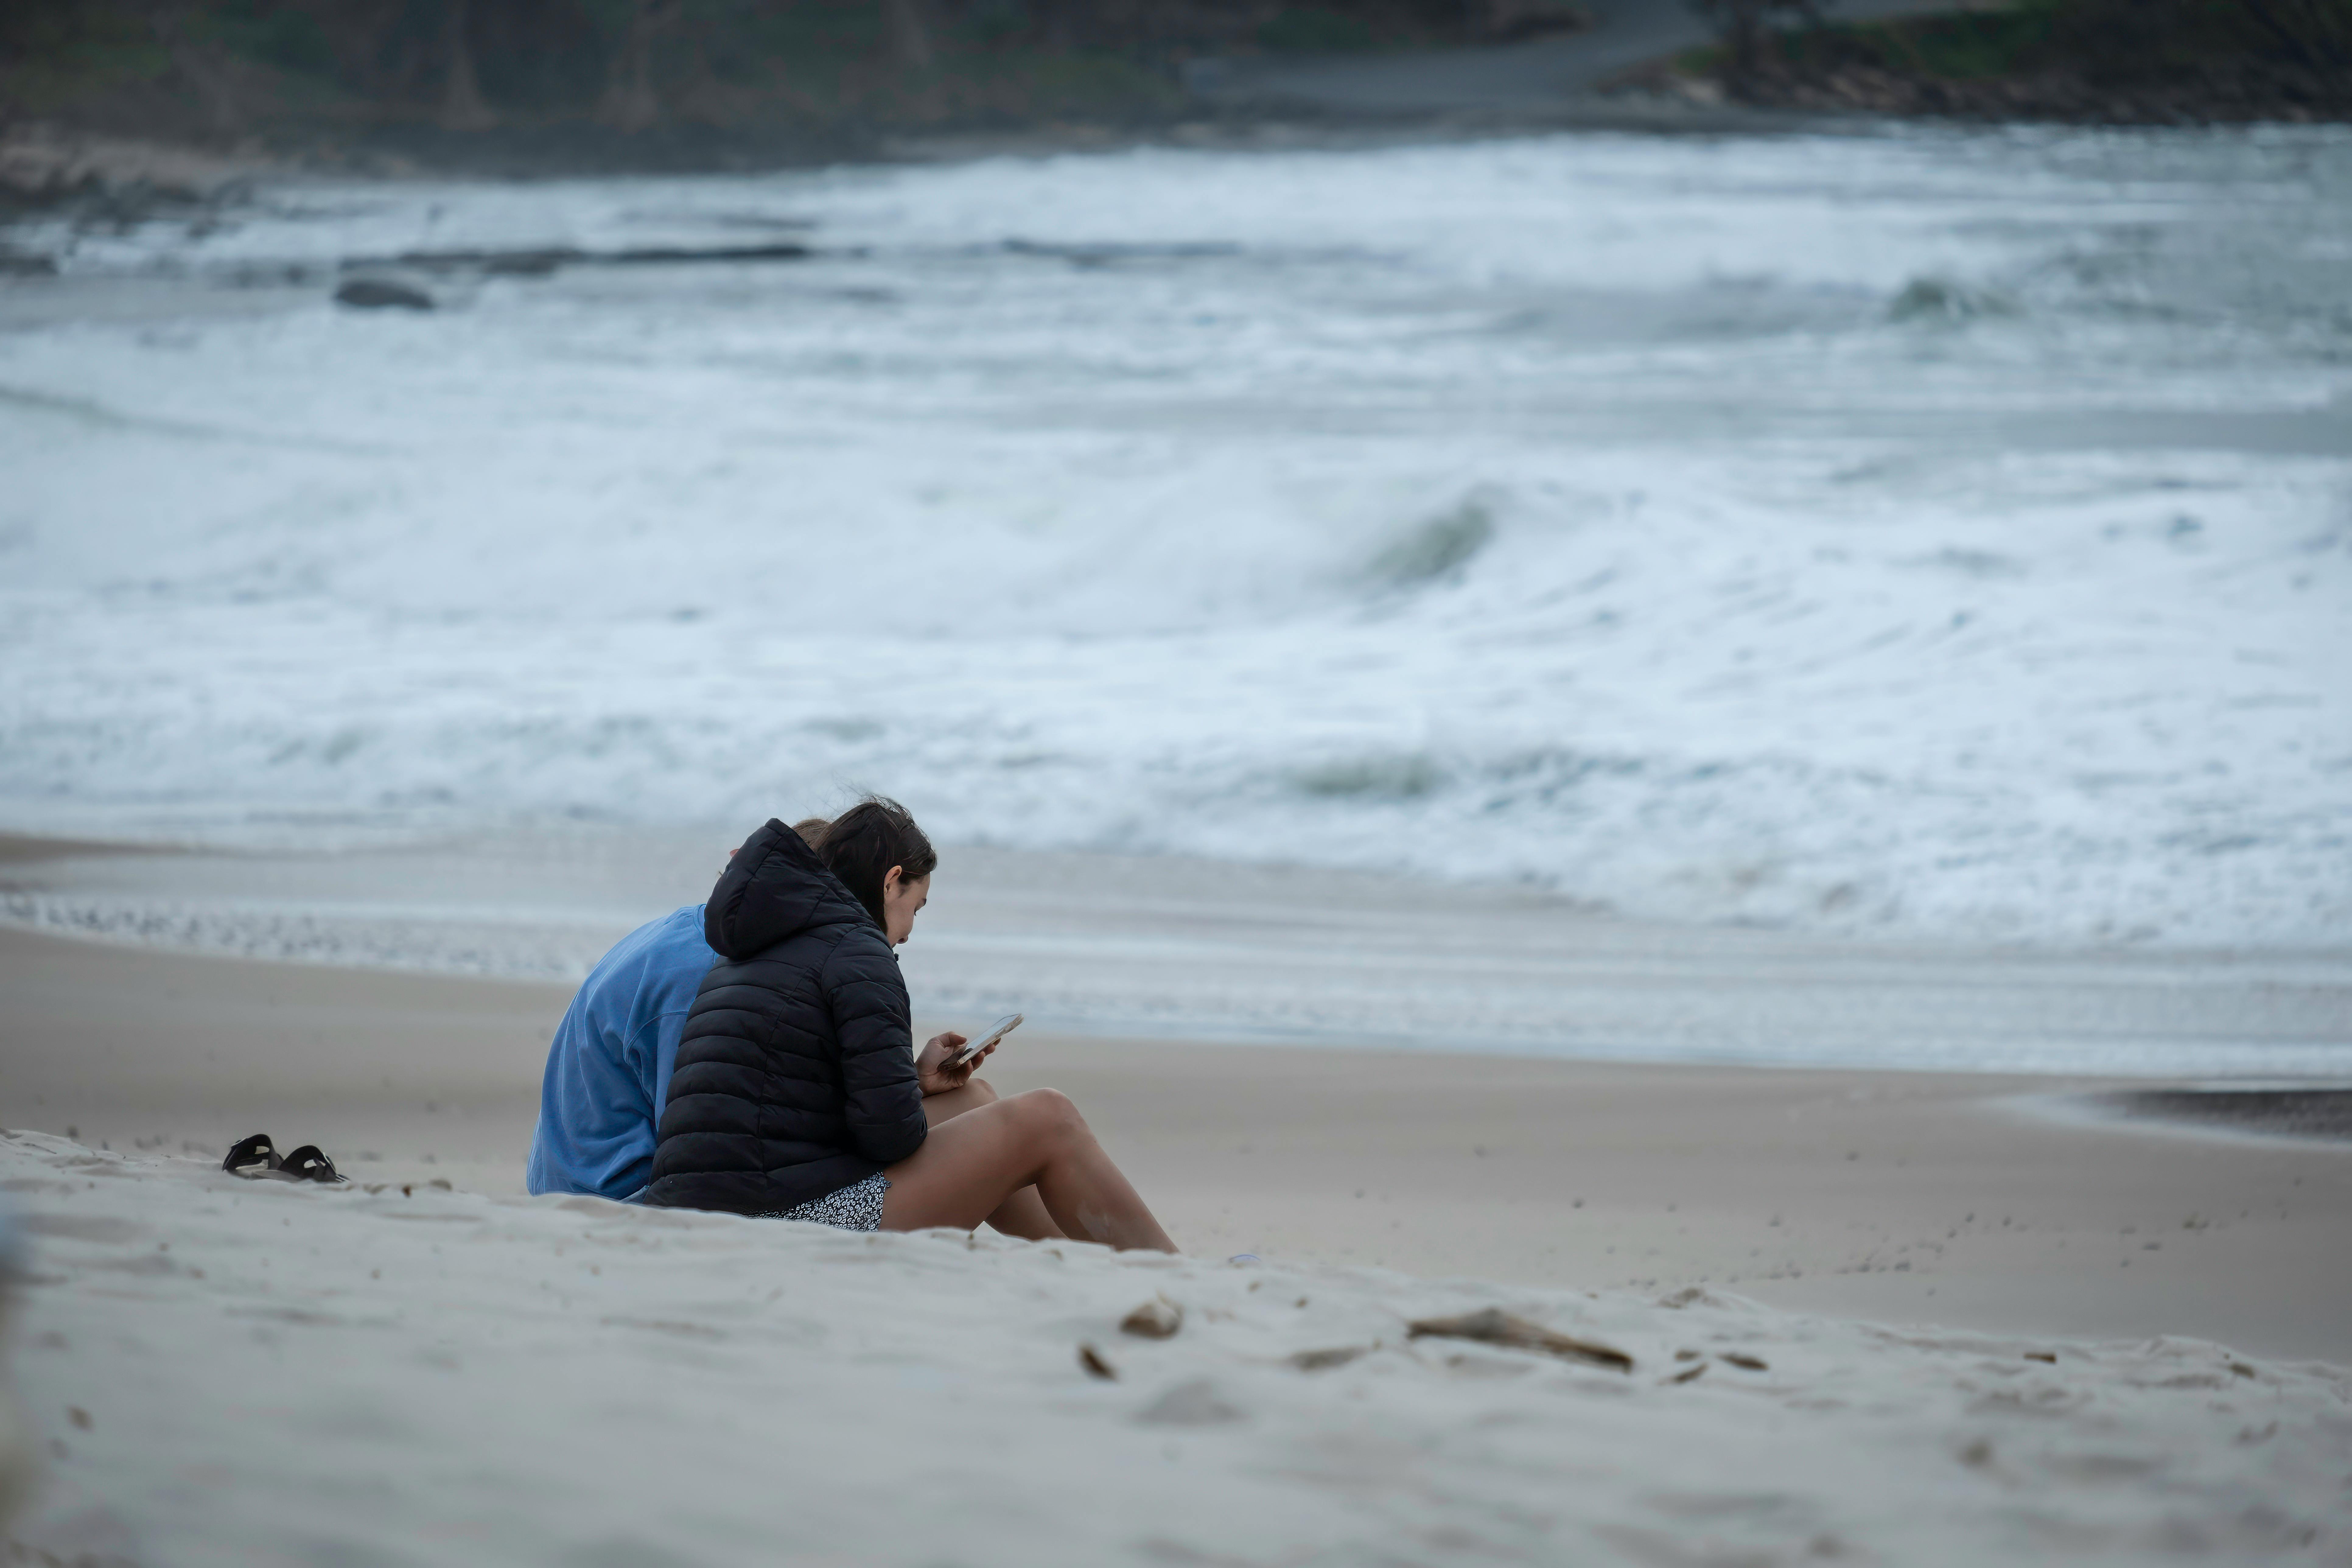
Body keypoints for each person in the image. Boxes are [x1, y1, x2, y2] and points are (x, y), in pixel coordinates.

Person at [646, 798, 1177, 1252]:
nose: (907, 933)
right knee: (1048, 1117)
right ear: (892, 881)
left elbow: (791, 1099)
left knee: (976, 1100)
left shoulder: (755, 946)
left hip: (703, 1213)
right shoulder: (858, 952)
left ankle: (1076, 1258)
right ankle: (1169, 1270)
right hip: (777, 1226)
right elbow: (888, 1138)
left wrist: (913, 1081)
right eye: (916, 909)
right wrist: (902, 1094)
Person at [525, 817, 832, 1201]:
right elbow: (699, 1149)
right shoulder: (705, 978)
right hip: (611, 1200)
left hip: (572, 1179)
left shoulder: (691, 934)